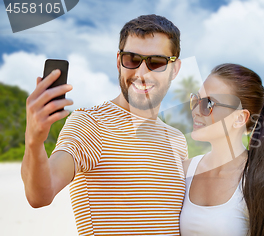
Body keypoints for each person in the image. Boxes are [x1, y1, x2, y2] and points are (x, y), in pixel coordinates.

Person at [21, 14, 187, 235]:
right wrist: (33, 142)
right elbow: (40, 194)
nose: (141, 73)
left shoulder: (177, 140)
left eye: (156, 62)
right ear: (119, 62)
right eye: (132, 60)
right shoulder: (90, 123)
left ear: (175, 69)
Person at [180, 63, 264, 236]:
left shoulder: (263, 183)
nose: (195, 110)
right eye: (196, 99)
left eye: (208, 103)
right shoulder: (185, 171)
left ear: (240, 118)